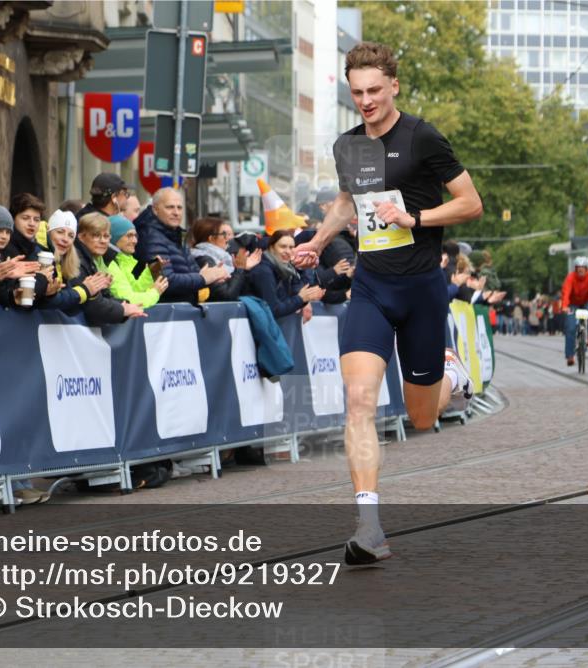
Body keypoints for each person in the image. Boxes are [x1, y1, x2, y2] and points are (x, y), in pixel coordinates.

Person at [291, 42, 483, 565]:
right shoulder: (349, 145)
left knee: (422, 416)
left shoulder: (423, 138)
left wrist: (415, 219)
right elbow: (346, 202)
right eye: (357, 92)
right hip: (372, 287)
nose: (367, 101)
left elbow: (471, 203)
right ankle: (368, 525)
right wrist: (318, 240)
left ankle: (452, 376)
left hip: (420, 289)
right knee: (358, 401)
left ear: (394, 86)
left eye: (375, 90)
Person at [133, 187, 228, 304]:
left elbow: (192, 273)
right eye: (170, 207)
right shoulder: (150, 236)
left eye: (179, 207)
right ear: (155, 210)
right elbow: (165, 281)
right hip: (164, 310)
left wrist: (211, 275)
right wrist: (203, 278)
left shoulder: (176, 235)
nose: (176, 212)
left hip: (180, 308)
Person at [75, 212, 147, 323]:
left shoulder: (99, 261)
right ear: (81, 237)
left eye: (106, 236)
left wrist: (124, 305)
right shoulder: (77, 262)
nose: (103, 241)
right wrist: (123, 309)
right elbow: (91, 307)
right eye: (96, 235)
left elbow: (104, 297)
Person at [249, 229, 325, 321]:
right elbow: (273, 310)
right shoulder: (264, 271)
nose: (288, 251)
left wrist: (307, 267)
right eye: (283, 247)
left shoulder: (286, 268)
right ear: (271, 248)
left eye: (291, 247)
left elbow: (298, 295)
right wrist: (301, 298)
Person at [189, 216, 260, 302]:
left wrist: (244, 269)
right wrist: (239, 269)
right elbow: (226, 296)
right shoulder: (205, 260)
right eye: (224, 234)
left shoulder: (222, 258)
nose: (228, 238)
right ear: (211, 238)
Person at [104, 214, 168, 307]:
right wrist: (155, 292)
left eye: (135, 236)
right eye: (129, 236)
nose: (135, 241)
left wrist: (150, 273)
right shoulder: (109, 264)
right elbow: (129, 300)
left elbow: (135, 290)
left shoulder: (125, 260)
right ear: (113, 237)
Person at [561, 256, 588, 366]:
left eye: (582, 268)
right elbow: (566, 292)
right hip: (573, 304)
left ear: (586, 268)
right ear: (575, 269)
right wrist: (564, 306)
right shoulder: (570, 277)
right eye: (578, 268)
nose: (580, 270)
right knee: (570, 328)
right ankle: (570, 356)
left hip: (587, 302)